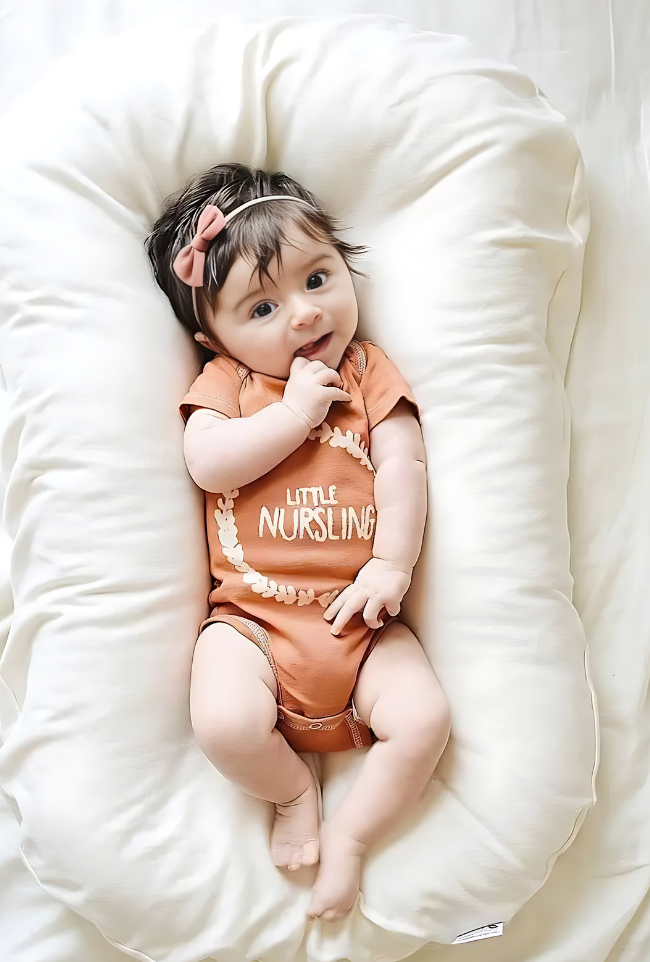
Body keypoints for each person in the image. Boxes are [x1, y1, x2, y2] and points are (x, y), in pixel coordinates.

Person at [145, 163, 450, 922]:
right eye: (262, 307)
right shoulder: (230, 384)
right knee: (221, 721)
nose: (305, 316)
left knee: (425, 721)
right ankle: (289, 791)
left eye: (318, 280)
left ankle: (350, 838)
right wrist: (293, 419)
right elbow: (208, 462)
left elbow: (404, 465)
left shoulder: (367, 370)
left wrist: (391, 565)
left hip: (363, 620)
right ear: (212, 336)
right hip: (253, 623)